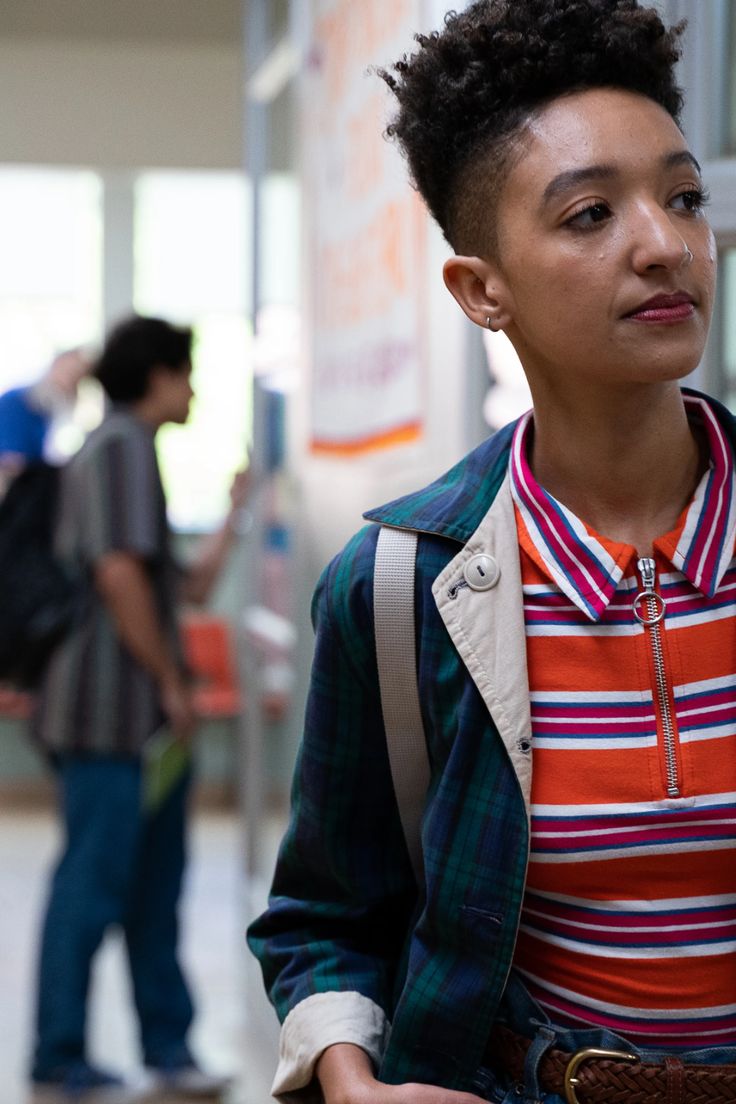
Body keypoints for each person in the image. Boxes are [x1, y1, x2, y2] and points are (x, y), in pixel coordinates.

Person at [247, 2, 736, 1102]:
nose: (663, 243)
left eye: (683, 196)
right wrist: (351, 1080)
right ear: (482, 289)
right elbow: (324, 917)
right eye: (590, 213)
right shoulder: (397, 589)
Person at [30, 316, 249, 1100]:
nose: (190, 389)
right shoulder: (121, 446)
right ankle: (59, 1053)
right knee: (95, 886)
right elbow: (119, 577)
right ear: (156, 375)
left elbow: (180, 589)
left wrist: (232, 513)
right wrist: (168, 682)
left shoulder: (122, 450)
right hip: (109, 717)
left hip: (136, 723)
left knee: (153, 884)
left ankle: (168, 1047)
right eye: (184, 373)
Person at [0, 348, 91, 490]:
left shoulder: (58, 411)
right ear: (56, 366)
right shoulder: (18, 401)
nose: (72, 381)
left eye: (79, 377)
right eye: (69, 373)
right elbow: (11, 463)